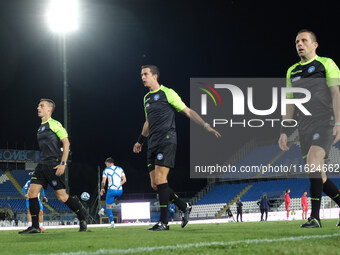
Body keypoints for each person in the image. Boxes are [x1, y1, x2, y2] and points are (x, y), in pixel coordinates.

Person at [133, 65, 221, 231]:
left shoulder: (168, 92)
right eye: (141, 75)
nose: (142, 77)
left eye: (145, 74)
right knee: (155, 185)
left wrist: (206, 125)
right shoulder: (146, 98)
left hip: (167, 140)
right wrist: (140, 141)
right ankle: (184, 207)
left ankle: (164, 222)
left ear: (155, 76)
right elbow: (147, 123)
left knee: (161, 180)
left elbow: (187, 111)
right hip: (152, 143)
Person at [278, 29, 340, 228]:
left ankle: (315, 217)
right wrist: (284, 131)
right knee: (319, 176)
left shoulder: (326, 63)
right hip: (303, 128)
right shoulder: (291, 71)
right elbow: (289, 104)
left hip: (325, 122)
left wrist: (338, 122)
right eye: (297, 41)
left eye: (304, 40)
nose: (299, 44)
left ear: (315, 45)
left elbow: (335, 93)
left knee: (313, 160)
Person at [19, 99, 87, 234]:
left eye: (41, 106)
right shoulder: (40, 127)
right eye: (38, 105)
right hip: (41, 165)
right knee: (32, 193)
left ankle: (82, 215)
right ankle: (35, 227)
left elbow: (66, 143)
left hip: (53, 165)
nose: (38, 107)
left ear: (49, 109)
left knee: (62, 197)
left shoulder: (55, 124)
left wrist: (63, 163)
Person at [98, 157, 126, 229]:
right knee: (109, 201)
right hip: (120, 191)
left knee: (108, 207)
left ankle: (112, 223)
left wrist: (102, 189)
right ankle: (101, 210)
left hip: (112, 190)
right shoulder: (120, 169)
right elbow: (124, 180)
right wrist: (118, 185)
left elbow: (103, 181)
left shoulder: (106, 170)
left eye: (106, 164)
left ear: (108, 163)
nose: (106, 166)